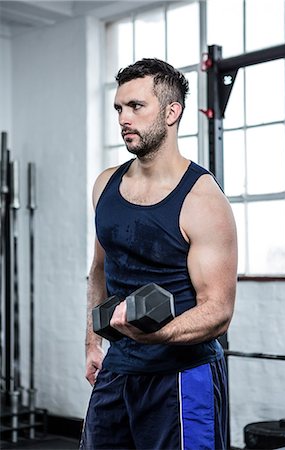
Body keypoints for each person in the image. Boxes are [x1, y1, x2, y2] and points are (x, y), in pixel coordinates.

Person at [80, 58, 238, 450]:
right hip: (118, 371)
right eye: (119, 107)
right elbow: (100, 268)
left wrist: (158, 335)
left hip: (182, 375)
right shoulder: (105, 184)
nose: (123, 118)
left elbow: (218, 310)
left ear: (171, 112)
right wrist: (92, 345)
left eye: (136, 106)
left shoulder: (202, 199)